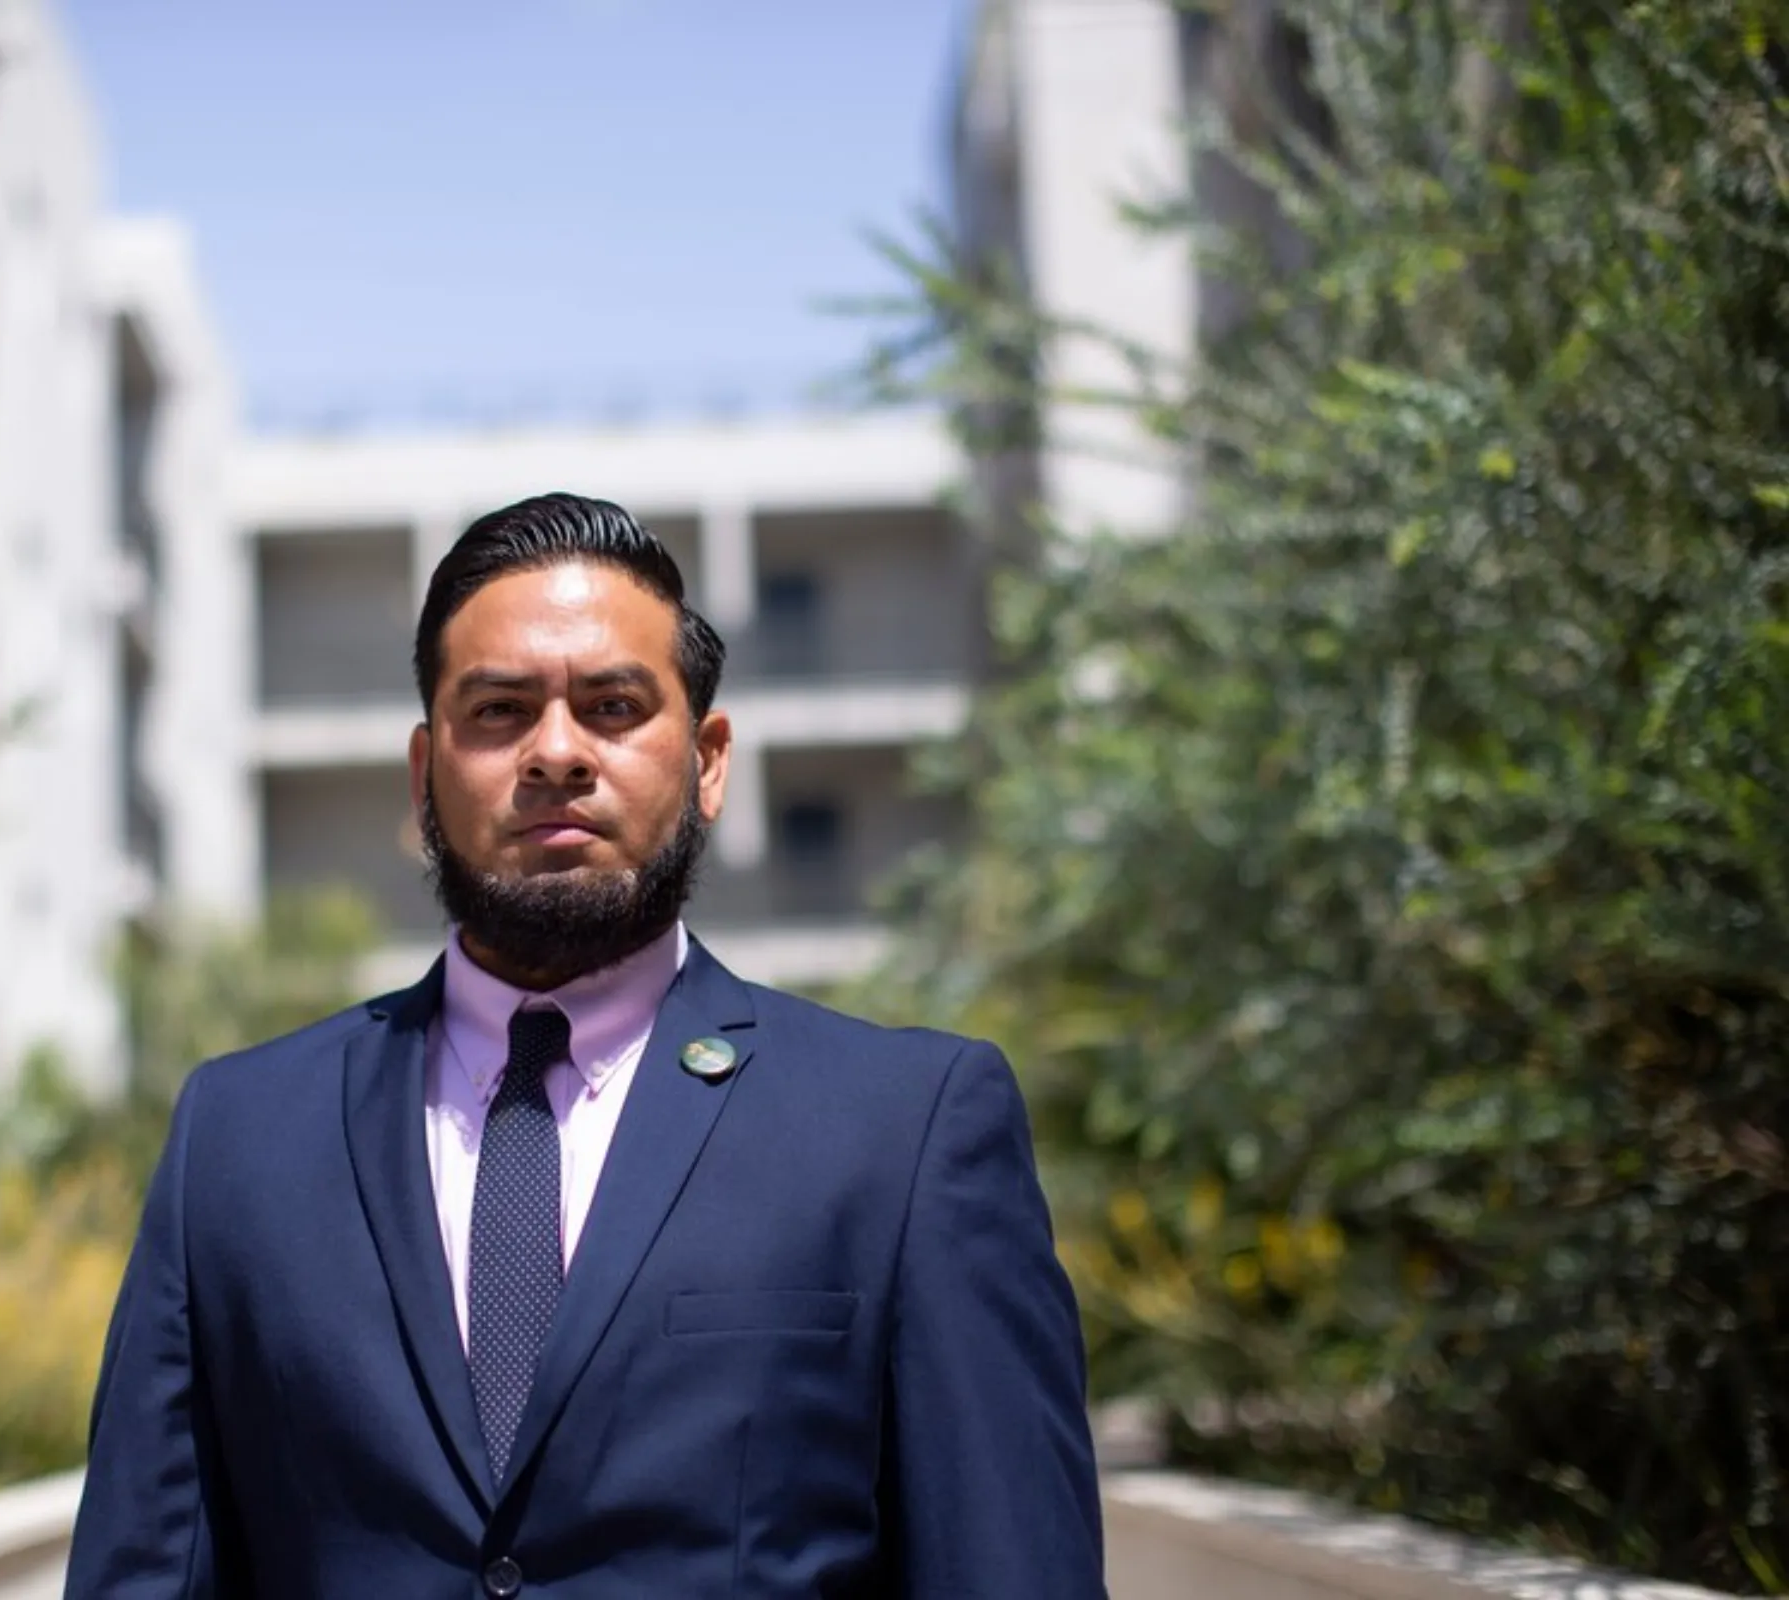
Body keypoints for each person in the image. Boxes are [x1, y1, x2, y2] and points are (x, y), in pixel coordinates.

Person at [64, 493, 1105, 1598]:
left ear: (708, 760)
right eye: (501, 710)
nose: (556, 753)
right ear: (424, 774)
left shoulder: (904, 1130)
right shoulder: (239, 1140)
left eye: (612, 706)